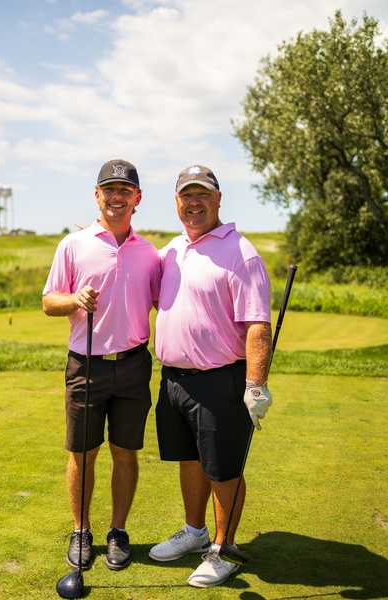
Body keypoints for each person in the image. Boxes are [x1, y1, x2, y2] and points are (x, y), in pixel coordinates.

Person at [149, 165, 273, 588]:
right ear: (177, 202)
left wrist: (255, 384)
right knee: (190, 459)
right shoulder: (172, 250)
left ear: (218, 199)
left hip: (220, 380)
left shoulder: (241, 252)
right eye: (187, 195)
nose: (194, 202)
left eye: (202, 194)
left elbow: (257, 325)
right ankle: (195, 531)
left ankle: (223, 548)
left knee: (223, 468)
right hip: (174, 381)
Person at [43, 159, 161, 572]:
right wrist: (74, 300)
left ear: (137, 198)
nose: (117, 196)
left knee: (125, 453)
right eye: (109, 189)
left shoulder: (149, 253)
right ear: (97, 195)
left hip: (133, 366)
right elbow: (49, 302)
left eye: (125, 190)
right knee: (83, 453)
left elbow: (166, 302)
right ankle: (81, 530)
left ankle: (118, 531)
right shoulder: (73, 245)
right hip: (86, 365)